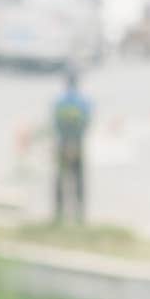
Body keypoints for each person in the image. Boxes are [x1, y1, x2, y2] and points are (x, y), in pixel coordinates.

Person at [52, 66, 92, 223]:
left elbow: (55, 122)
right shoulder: (83, 101)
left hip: (62, 143)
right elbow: (87, 121)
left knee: (61, 179)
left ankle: (58, 213)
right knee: (78, 179)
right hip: (78, 143)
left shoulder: (59, 101)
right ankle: (80, 213)